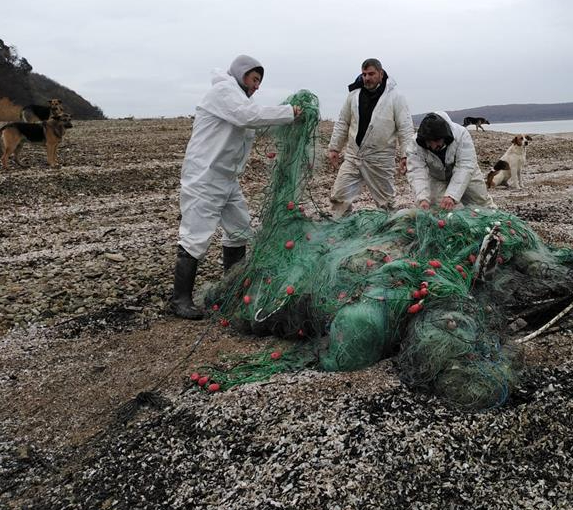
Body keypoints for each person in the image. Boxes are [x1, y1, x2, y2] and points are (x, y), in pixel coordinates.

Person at [171, 55, 302, 320]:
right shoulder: (223, 92)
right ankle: (179, 300)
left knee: (240, 229)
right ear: (242, 74)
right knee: (196, 237)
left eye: (259, 82)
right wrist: (288, 113)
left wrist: (284, 120)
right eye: (254, 79)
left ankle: (230, 287)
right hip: (205, 178)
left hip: (227, 180)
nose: (256, 86)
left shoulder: (240, 99)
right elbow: (246, 117)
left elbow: (251, 116)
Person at [327, 58, 414, 217]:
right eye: (364, 74)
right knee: (339, 196)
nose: (367, 78)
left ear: (381, 74)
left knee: (386, 203)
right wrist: (335, 148)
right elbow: (343, 122)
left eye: (371, 74)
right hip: (354, 155)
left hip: (380, 158)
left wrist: (405, 155)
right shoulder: (353, 95)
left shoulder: (395, 97)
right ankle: (340, 224)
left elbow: (405, 128)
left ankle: (388, 229)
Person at [406, 111, 494, 210]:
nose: (434, 145)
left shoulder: (461, 134)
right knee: (440, 209)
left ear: (445, 136)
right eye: (430, 141)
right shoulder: (415, 144)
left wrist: (451, 195)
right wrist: (422, 198)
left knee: (481, 203)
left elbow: (465, 165)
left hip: (467, 173)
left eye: (437, 141)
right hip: (436, 177)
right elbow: (417, 172)